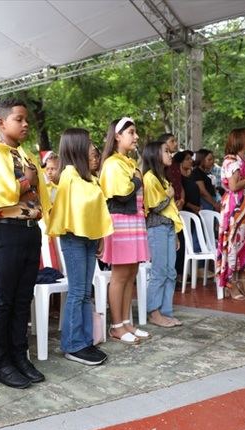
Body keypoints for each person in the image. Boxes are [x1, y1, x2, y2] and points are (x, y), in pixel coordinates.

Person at [0, 98, 50, 389]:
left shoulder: (26, 156)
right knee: (3, 299)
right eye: (19, 119)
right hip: (4, 232)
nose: (26, 123)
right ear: (2, 123)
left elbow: (39, 193)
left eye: (27, 119)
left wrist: (30, 182)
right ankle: (0, 363)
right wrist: (27, 183)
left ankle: (20, 356)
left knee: (22, 298)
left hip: (29, 230)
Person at [47, 128, 113, 365]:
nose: (93, 148)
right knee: (77, 292)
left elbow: (96, 211)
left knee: (85, 292)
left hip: (88, 238)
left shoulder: (88, 177)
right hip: (74, 237)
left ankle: (84, 341)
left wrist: (99, 237)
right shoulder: (69, 176)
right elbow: (74, 211)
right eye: (88, 144)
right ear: (76, 147)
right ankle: (73, 344)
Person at [99, 117, 150, 343]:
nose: (136, 136)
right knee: (120, 276)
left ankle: (128, 323)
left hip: (134, 221)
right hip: (120, 222)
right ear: (117, 136)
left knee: (131, 274)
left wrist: (136, 177)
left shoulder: (128, 162)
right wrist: (137, 180)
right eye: (131, 132)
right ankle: (116, 326)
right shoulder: (112, 163)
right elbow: (122, 192)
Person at [216, 128, 245, 300]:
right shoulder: (231, 160)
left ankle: (243, 280)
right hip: (235, 206)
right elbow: (234, 186)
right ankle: (231, 282)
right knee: (235, 242)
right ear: (240, 140)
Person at [143, 141, 183, 326]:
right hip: (157, 227)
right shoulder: (149, 178)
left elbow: (171, 211)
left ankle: (166, 311)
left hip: (168, 228)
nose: (170, 154)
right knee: (159, 271)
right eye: (166, 151)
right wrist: (169, 195)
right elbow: (155, 207)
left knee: (171, 272)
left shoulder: (163, 179)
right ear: (155, 155)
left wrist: (175, 232)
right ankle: (154, 312)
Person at [159, 133, 184, 210]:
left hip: (179, 204)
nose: (176, 144)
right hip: (166, 206)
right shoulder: (159, 167)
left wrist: (182, 200)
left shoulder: (176, 164)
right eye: (172, 141)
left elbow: (180, 184)